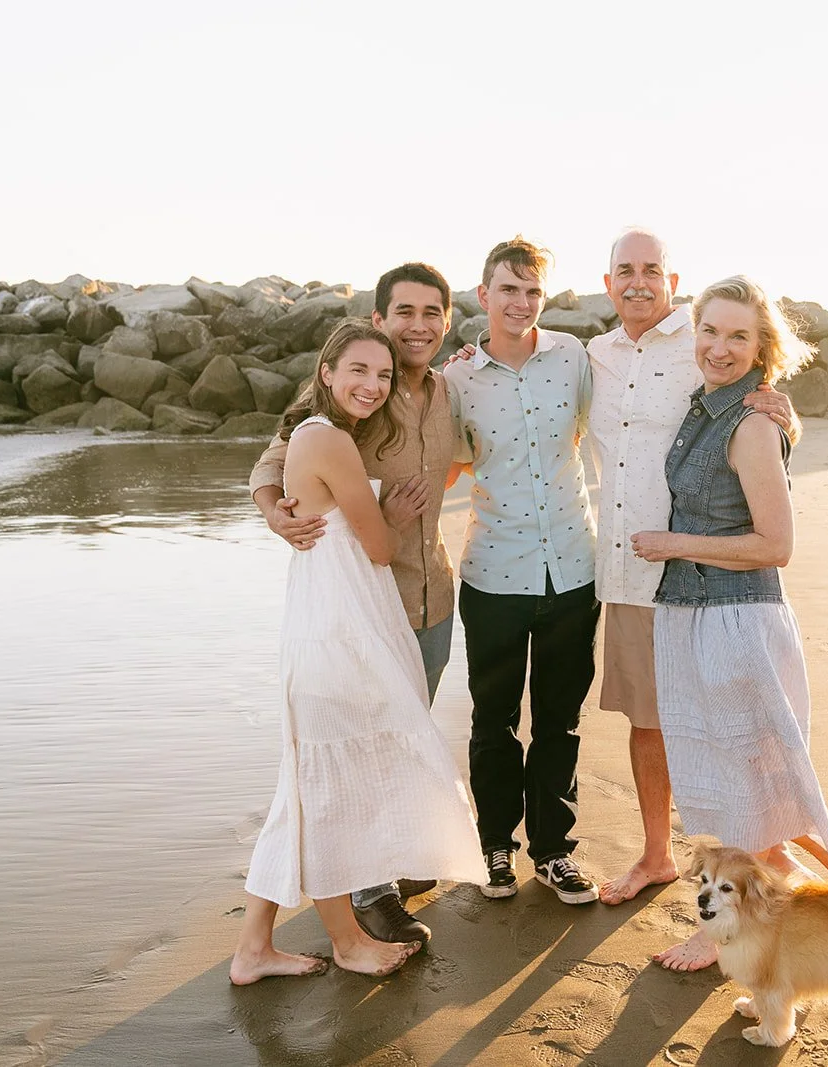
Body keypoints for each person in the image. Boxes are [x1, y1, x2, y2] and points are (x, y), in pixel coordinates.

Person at [630, 276, 828, 972]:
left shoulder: (753, 422)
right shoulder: (706, 407)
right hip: (692, 615)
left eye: (738, 336)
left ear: (762, 346)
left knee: (732, 787)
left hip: (737, 619)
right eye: (709, 331)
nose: (719, 347)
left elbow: (776, 545)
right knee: (730, 781)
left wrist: (675, 543)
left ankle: (722, 927)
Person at [231, 320, 483, 984]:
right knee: (329, 788)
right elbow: (374, 545)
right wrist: (389, 513)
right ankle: (346, 939)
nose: (371, 386)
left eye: (381, 375)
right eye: (358, 372)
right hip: (338, 632)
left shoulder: (316, 435)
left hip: (325, 623)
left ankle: (254, 945)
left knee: (307, 787)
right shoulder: (331, 440)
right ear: (326, 372)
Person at [584, 230, 802, 908]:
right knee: (648, 721)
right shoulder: (590, 356)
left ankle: (772, 855)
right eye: (626, 270)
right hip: (627, 571)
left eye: (652, 270)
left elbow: (760, 412)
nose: (639, 281)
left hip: (707, 581)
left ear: (672, 282)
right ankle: (657, 855)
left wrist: (790, 421)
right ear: (609, 280)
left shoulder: (703, 343)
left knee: (730, 727)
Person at [443, 237, 601, 905]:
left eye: (533, 291)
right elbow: (437, 461)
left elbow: (622, 425)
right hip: (494, 572)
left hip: (572, 567)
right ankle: (495, 845)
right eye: (508, 289)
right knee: (494, 719)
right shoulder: (455, 378)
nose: (521, 302)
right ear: (484, 295)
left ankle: (554, 850)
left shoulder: (573, 359)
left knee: (560, 720)